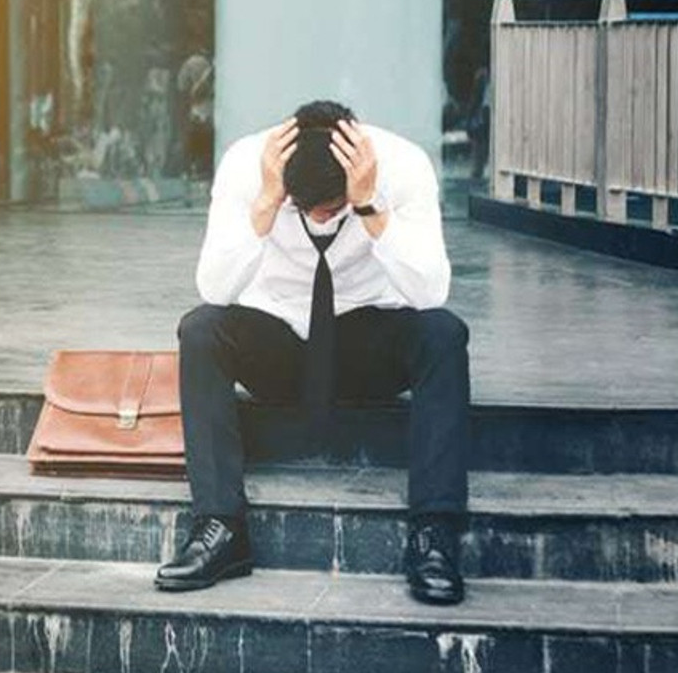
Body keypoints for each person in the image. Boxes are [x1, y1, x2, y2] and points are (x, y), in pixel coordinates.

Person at [154, 100, 470, 606]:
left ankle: (435, 536)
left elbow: (431, 293)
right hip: (277, 337)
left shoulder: (404, 165)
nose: (323, 219)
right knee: (201, 329)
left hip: (365, 342)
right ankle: (220, 527)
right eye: (308, 210)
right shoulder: (244, 165)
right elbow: (214, 287)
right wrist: (265, 205)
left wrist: (368, 209)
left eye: (334, 207)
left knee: (444, 334)